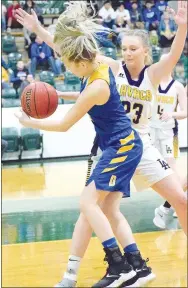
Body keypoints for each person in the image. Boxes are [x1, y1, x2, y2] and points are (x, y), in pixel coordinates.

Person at [15, 1, 187, 287]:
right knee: (97, 209)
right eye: (124, 48)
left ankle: (119, 266)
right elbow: (71, 51)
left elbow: (175, 55)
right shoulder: (110, 67)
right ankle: (87, 272)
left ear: (146, 51)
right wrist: (39, 30)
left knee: (177, 199)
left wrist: (182, 27)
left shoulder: (151, 75)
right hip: (114, 143)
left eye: (134, 48)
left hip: (137, 142)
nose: (128, 53)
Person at [150, 63, 187, 228]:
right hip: (152, 132)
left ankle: (168, 207)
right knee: (168, 173)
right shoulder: (152, 83)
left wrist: (171, 114)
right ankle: (171, 205)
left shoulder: (177, 87)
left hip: (170, 134)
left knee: (173, 172)